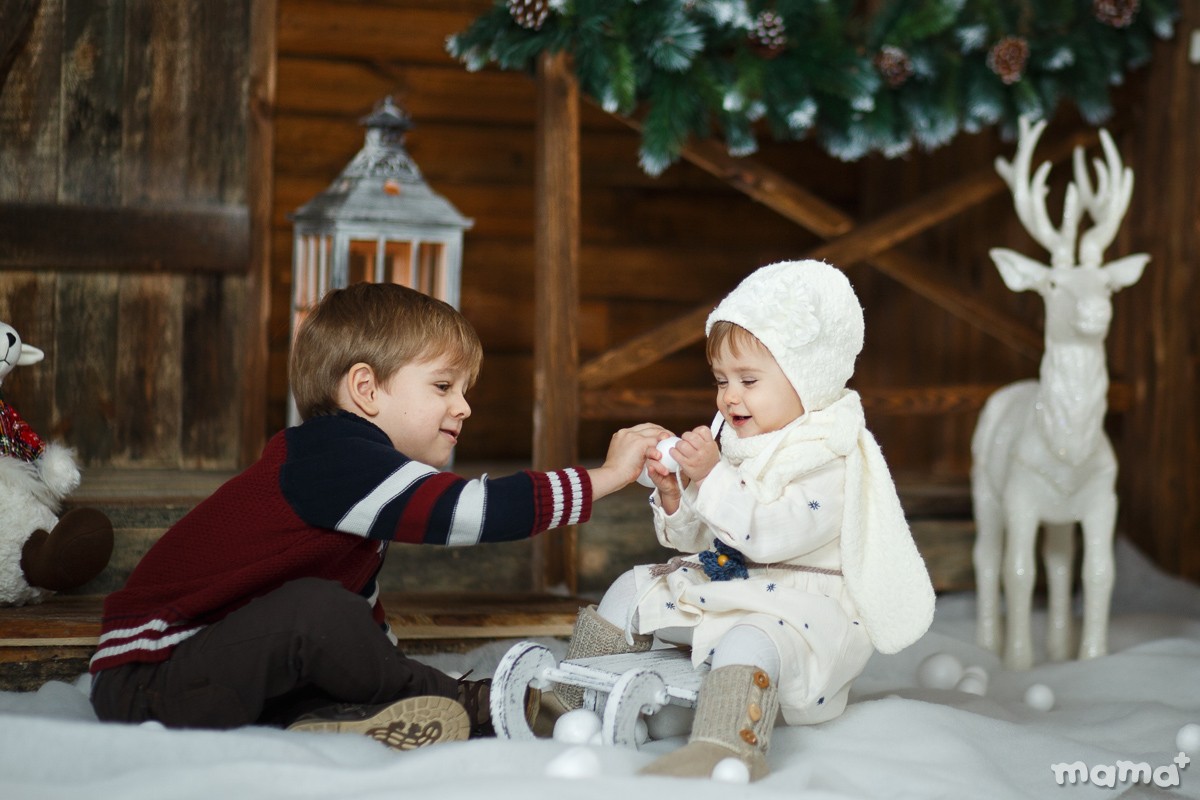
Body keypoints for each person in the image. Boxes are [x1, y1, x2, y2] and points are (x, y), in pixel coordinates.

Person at [89, 282, 666, 751]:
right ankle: (475, 702)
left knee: (332, 618)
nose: (463, 406)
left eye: (464, 390)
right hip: (152, 675)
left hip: (222, 669)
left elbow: (360, 606)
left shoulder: (358, 483)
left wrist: (378, 661)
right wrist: (608, 476)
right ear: (365, 388)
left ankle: (350, 715)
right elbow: (474, 510)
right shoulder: (331, 455)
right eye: (443, 385)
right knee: (317, 613)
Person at [553, 260, 936, 781]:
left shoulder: (831, 458)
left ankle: (726, 741)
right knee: (630, 587)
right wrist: (676, 494)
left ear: (809, 380)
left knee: (749, 638)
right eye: (721, 380)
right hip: (728, 583)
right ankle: (574, 700)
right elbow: (700, 537)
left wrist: (710, 479)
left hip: (796, 610)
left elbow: (773, 535)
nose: (730, 395)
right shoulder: (737, 444)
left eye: (749, 380)